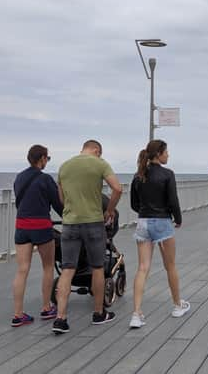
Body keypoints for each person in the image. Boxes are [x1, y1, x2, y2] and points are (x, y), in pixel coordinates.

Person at [52, 140, 123, 334]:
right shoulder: (99, 163)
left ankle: (60, 318)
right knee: (98, 267)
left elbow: (61, 198)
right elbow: (117, 188)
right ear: (96, 150)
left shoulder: (64, 166)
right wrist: (109, 211)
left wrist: (71, 209)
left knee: (67, 269)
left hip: (69, 224)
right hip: (93, 222)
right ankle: (99, 313)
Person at [128, 140, 190, 328]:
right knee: (170, 266)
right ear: (159, 154)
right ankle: (178, 305)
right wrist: (177, 218)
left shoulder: (139, 175)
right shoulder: (167, 174)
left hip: (143, 222)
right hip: (162, 222)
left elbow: (133, 203)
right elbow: (173, 200)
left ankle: (137, 314)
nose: (168, 155)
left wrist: (145, 211)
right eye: (166, 152)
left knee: (142, 268)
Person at [11, 144, 63, 327]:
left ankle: (18, 314)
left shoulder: (19, 178)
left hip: (22, 225)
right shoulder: (45, 179)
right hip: (41, 225)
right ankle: (46, 307)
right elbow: (58, 203)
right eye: (47, 158)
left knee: (22, 269)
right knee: (48, 266)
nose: (47, 162)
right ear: (41, 158)